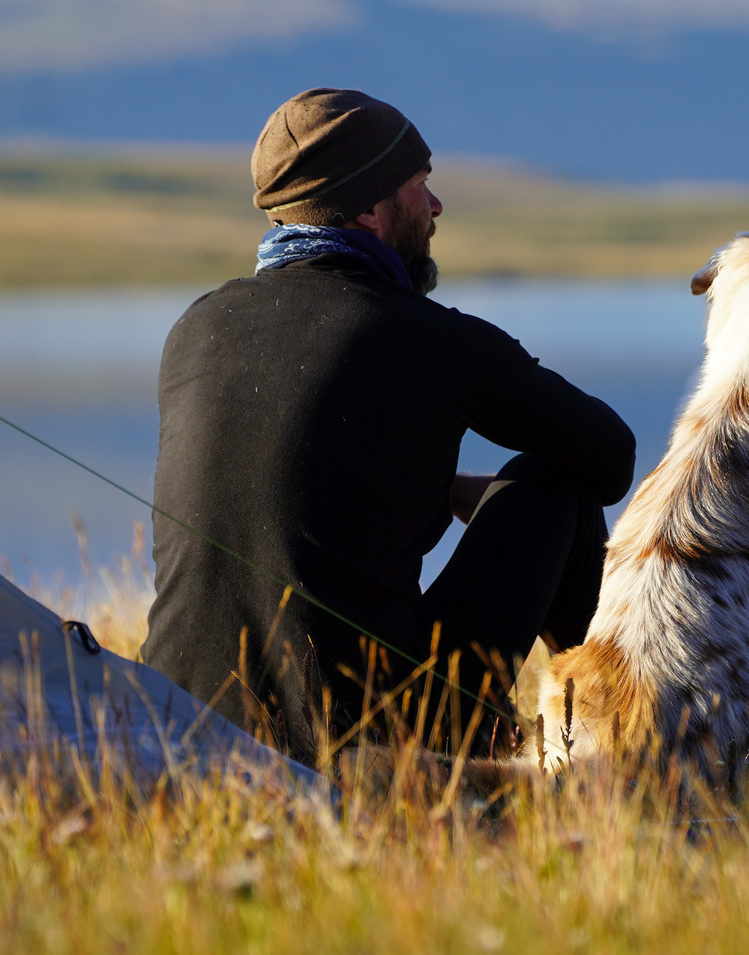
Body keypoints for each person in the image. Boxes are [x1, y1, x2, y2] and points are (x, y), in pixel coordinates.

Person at [141, 88, 635, 763]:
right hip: (372, 749)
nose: (434, 207)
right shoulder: (424, 336)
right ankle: (630, 746)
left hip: (179, 731)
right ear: (370, 209)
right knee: (554, 482)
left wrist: (440, 486)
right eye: (419, 185)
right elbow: (609, 456)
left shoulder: (196, 327)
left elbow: (290, 479)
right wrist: (488, 495)